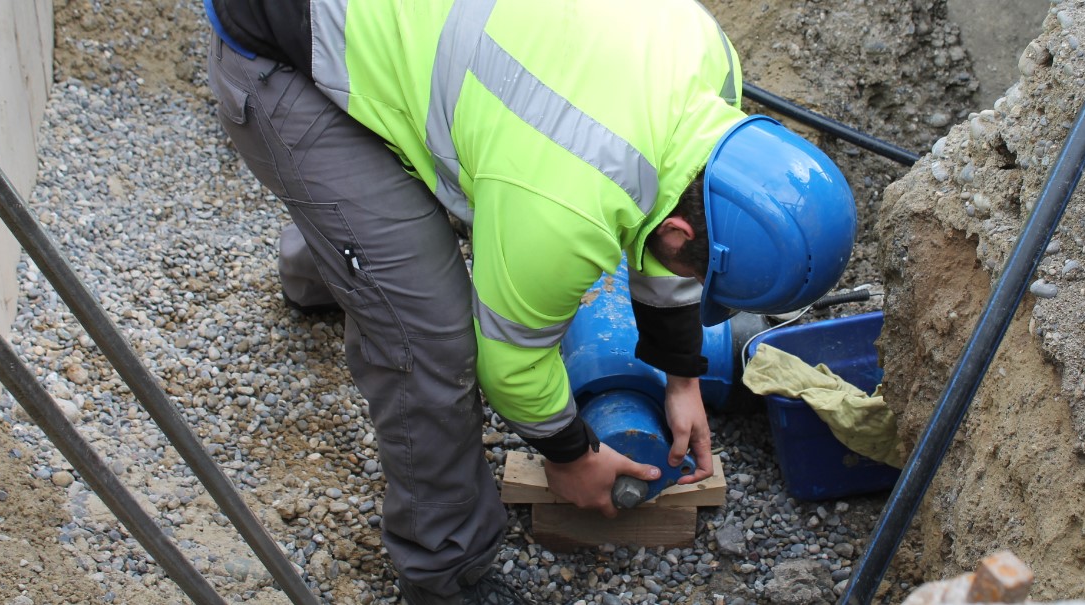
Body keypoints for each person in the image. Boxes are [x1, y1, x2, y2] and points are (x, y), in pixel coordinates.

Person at [201, 0, 856, 603]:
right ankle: (443, 572)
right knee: (430, 339)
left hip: (405, 36)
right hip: (282, 48)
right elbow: (510, 366)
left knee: (398, 230)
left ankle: (342, 257)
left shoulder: (711, 69)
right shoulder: (562, 209)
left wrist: (679, 369)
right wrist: (570, 455)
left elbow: (673, 224)